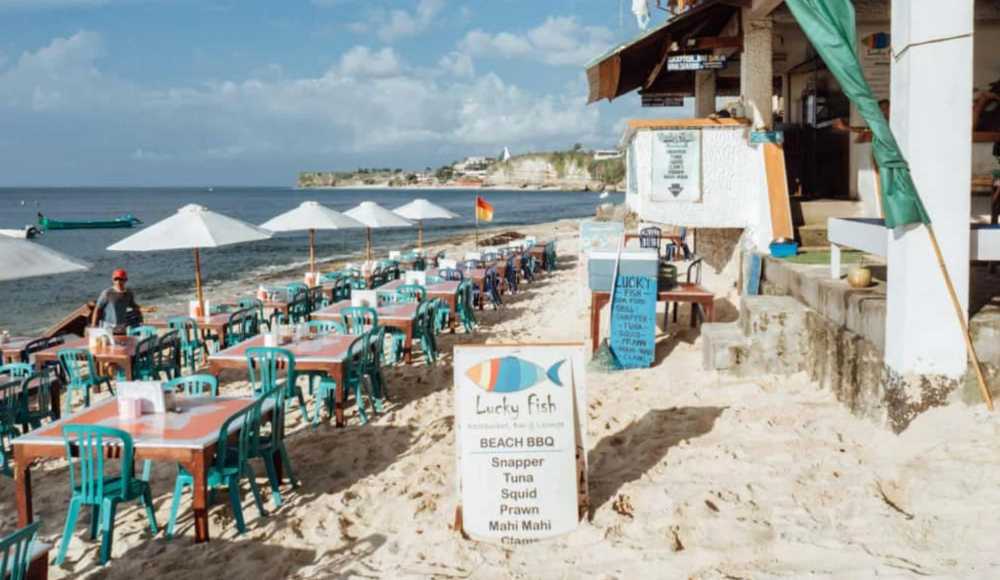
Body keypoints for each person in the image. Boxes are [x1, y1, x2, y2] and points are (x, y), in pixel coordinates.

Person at [91, 268, 141, 333]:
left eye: (121, 279)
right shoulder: (107, 293)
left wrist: (143, 309)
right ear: (112, 280)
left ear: (126, 280)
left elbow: (132, 305)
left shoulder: (128, 293)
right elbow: (97, 309)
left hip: (122, 326)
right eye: (116, 279)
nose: (118, 282)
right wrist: (93, 325)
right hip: (108, 327)